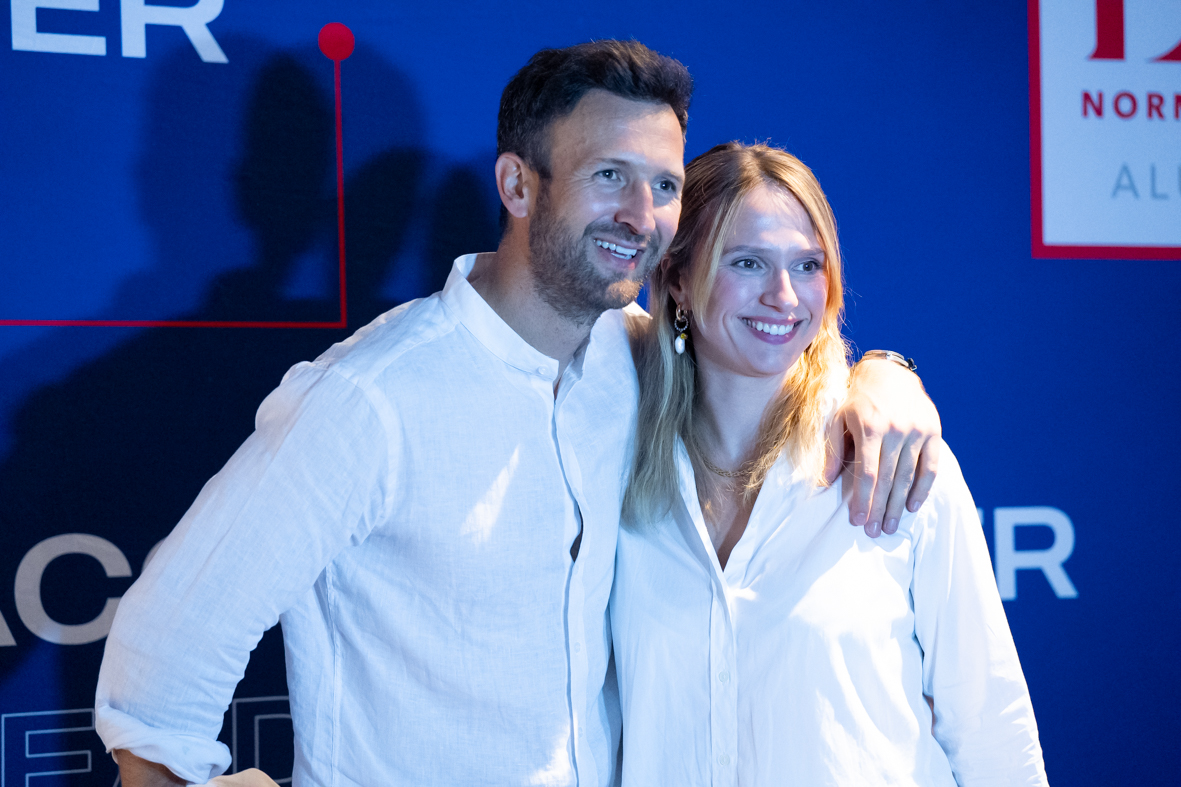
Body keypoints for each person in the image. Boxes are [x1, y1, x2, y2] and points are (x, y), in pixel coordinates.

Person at [96, 43, 942, 786]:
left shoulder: (635, 358)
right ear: (517, 184)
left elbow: (766, 352)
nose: (640, 215)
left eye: (663, 185)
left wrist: (885, 373)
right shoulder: (369, 401)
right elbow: (159, 670)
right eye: (608, 175)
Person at [611, 142, 1047, 785]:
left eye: (808, 264)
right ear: (678, 278)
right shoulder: (612, 446)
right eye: (748, 262)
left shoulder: (894, 456)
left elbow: (990, 726)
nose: (784, 295)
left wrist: (890, 368)